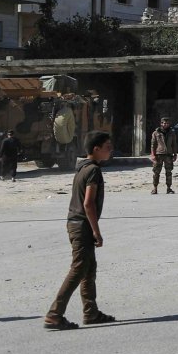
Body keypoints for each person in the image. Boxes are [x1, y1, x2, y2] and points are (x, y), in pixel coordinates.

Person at [43, 131, 116, 330]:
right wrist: (96, 231)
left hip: (75, 223)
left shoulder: (82, 168)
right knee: (78, 269)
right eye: (107, 147)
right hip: (82, 225)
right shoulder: (93, 170)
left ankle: (91, 312)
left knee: (88, 269)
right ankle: (54, 314)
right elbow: (88, 204)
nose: (110, 150)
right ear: (96, 149)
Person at [150, 117, 176, 194]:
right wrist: (152, 155)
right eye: (164, 123)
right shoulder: (156, 133)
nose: (165, 124)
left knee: (169, 172)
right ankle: (155, 188)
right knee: (156, 172)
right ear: (161, 123)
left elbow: (174, 144)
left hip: (168, 154)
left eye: (167, 123)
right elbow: (153, 145)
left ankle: (169, 188)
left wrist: (175, 154)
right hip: (159, 154)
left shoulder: (172, 133)